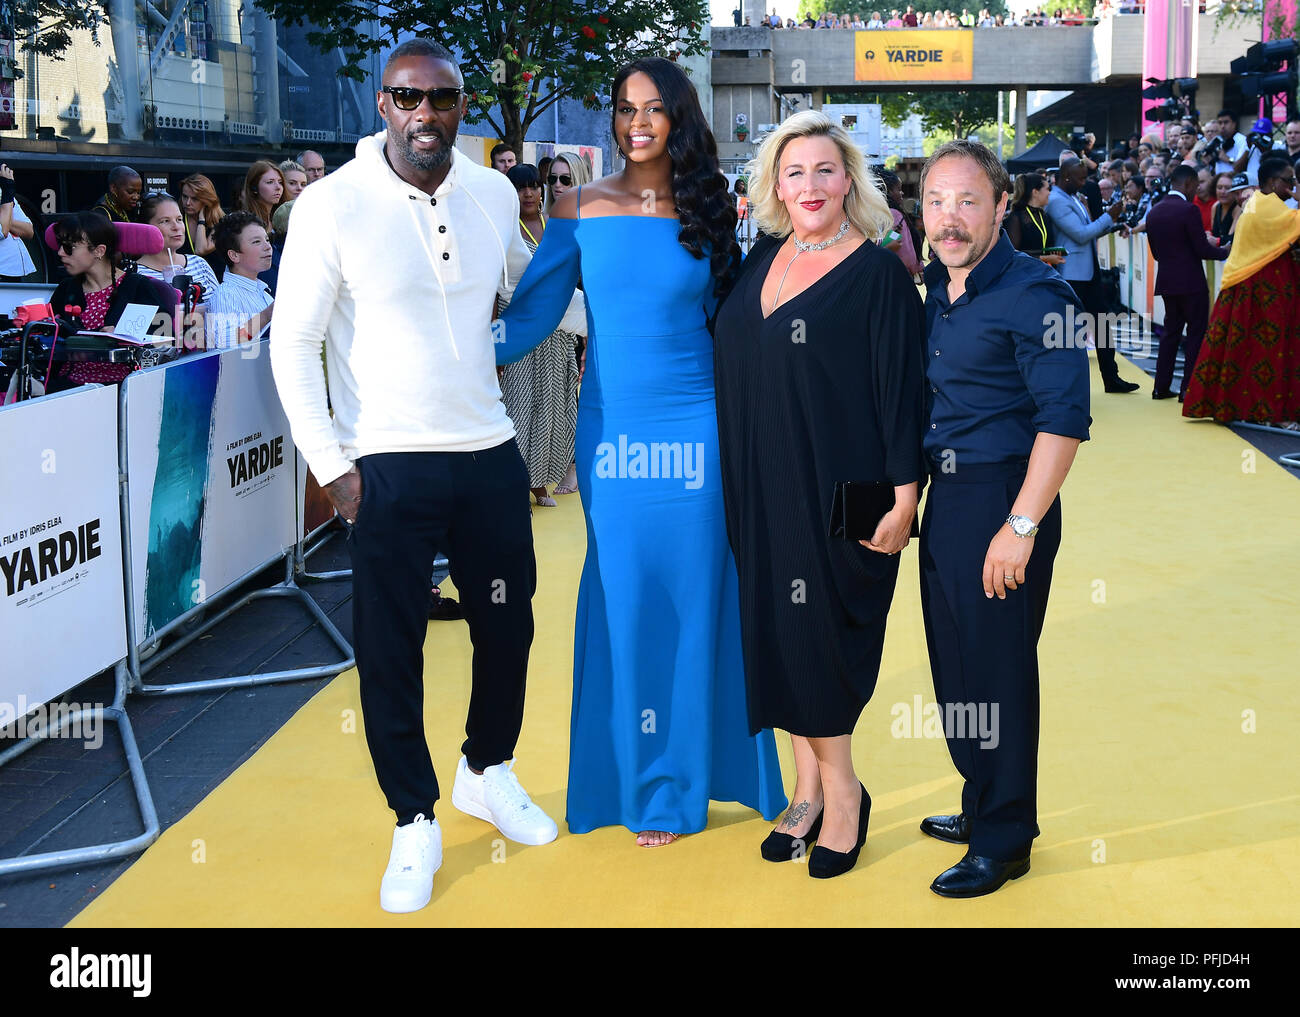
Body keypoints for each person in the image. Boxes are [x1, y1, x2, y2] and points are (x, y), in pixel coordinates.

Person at [272, 39, 584, 914]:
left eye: (442, 99)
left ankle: (486, 769)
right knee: (390, 648)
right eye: (408, 98)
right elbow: (291, 344)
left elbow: (535, 294)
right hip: (383, 461)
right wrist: (333, 467)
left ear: (460, 106)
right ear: (382, 105)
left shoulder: (488, 192)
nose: (425, 114)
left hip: (486, 450)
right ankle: (413, 815)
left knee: (507, 624)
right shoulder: (331, 205)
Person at [495, 56, 787, 848]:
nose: (637, 122)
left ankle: (689, 782)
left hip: (699, 427)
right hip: (614, 435)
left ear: (678, 117)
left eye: (654, 108)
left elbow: (735, 322)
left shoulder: (709, 207)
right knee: (625, 596)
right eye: (624, 108)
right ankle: (639, 779)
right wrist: (453, 351)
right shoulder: (577, 204)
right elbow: (532, 316)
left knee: (698, 598)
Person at [712, 111, 923, 880]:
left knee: (822, 641)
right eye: (793, 171)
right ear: (774, 183)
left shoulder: (877, 277)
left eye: (825, 170)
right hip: (759, 484)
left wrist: (904, 498)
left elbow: (903, 395)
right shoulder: (762, 258)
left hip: (847, 490)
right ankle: (802, 787)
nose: (810, 185)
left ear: (849, 182)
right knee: (774, 631)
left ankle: (843, 793)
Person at [917, 140, 1090, 898]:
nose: (949, 219)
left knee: (999, 673)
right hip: (946, 502)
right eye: (936, 202)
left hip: (1005, 500)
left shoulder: (1038, 295)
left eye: (966, 202)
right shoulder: (934, 287)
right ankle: (978, 797)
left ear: (999, 207)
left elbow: (1065, 419)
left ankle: (1006, 835)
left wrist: (1020, 526)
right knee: (956, 669)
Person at [498, 162, 584, 508]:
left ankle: (540, 484)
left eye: (535, 185)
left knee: (554, 410)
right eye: (522, 187)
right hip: (520, 332)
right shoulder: (506, 231)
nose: (530, 193)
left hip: (557, 336)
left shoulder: (554, 225)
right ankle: (515, 487)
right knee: (519, 410)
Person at [1184, 188, 1300, 426]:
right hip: (1265, 288)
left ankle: (1242, 408)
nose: (1291, 189)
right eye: (1289, 181)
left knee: (1245, 351)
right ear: (1276, 181)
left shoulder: (1255, 204)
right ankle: (1270, 413)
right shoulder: (1268, 206)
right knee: (1266, 352)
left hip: (1251, 285)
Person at [48, 211, 176, 385]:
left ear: (99, 251)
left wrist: (126, 337)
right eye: (61, 246)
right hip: (68, 388)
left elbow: (167, 340)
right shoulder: (66, 289)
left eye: (70, 247)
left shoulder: (137, 287)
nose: (61, 253)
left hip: (122, 388)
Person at [1044, 158, 1138, 392]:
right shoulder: (1056, 201)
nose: (1085, 182)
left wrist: (1114, 225)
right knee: (1071, 330)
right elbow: (1081, 235)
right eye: (1081, 178)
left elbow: (1089, 229)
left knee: (1103, 324)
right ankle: (1067, 382)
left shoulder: (1071, 197)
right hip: (1072, 274)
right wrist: (1110, 216)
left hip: (1086, 271)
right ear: (1067, 177)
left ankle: (1111, 377)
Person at [1144, 165, 1231, 401]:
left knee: (1170, 333)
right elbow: (1201, 249)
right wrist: (1226, 251)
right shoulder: (1188, 210)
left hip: (1168, 281)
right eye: (1197, 185)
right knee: (1194, 334)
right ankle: (1188, 389)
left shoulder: (1154, 212)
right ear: (1189, 183)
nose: (1197, 190)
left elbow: (1157, 253)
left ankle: (1160, 387)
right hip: (1191, 283)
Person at [133, 191, 219, 309]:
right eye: (165, 221)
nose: (176, 227)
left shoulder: (200, 264)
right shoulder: (135, 274)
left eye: (179, 219)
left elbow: (223, 310)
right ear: (145, 228)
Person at [204, 211, 275, 350]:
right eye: (256, 242)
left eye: (267, 239)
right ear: (234, 255)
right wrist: (268, 314)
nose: (268, 246)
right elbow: (224, 346)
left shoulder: (264, 292)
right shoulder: (226, 295)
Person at [1005, 173, 1066, 269]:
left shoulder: (1044, 216)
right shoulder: (1016, 218)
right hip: (1025, 275)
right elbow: (1012, 253)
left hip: (1046, 273)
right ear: (1035, 192)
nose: (1049, 193)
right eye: (1047, 189)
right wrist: (1045, 258)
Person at [880, 169, 923, 277]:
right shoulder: (894, 214)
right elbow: (903, 248)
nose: (902, 193)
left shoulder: (879, 214)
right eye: (898, 189)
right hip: (900, 275)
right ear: (888, 192)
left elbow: (892, 239)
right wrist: (917, 268)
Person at [0, 165, 37, 282]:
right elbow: (2, 231)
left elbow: (29, 231)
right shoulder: (5, 192)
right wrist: (7, 197)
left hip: (14, 271)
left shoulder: (3, 192)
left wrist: (5, 217)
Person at [178, 174, 223, 258]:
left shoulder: (221, 221)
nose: (187, 203)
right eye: (185, 196)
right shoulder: (178, 219)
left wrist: (201, 220)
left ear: (206, 200)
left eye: (194, 199)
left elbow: (200, 250)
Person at [239, 159, 285, 228]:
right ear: (254, 187)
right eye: (270, 182)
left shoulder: (282, 219)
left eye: (280, 182)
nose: (278, 187)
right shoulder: (245, 223)